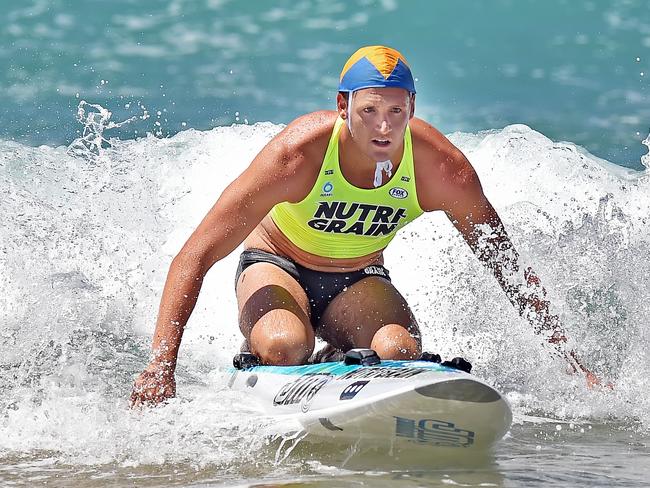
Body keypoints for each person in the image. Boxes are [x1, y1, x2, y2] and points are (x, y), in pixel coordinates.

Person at [130, 46, 600, 407]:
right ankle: (270, 346)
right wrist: (159, 367)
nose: (383, 127)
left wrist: (572, 364)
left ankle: (337, 358)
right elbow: (195, 256)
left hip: (357, 278)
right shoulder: (298, 156)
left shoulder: (442, 171)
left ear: (412, 107)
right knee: (283, 346)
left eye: (396, 112)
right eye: (369, 111)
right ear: (342, 105)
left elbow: (507, 268)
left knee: (398, 352)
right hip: (276, 266)